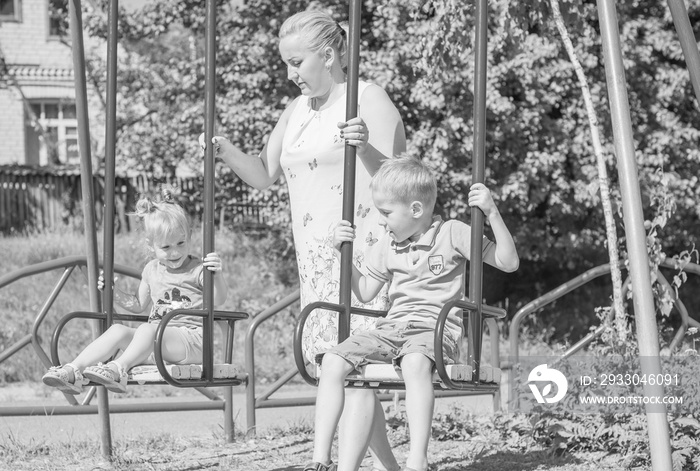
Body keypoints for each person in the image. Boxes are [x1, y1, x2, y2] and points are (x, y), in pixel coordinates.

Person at [202, 9, 405, 471]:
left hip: (362, 258)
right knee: (345, 371)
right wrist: (224, 149)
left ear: (329, 54)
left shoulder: (367, 97)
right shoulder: (296, 110)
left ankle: (339, 465)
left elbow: (404, 182)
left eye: (297, 63)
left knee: (355, 371)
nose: (290, 74)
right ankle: (392, 469)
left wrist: (366, 146)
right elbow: (264, 174)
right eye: (286, 65)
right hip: (315, 262)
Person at [305, 157, 519, 471]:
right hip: (391, 329)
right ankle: (320, 460)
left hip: (434, 329)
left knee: (415, 362)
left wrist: (492, 212)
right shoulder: (388, 244)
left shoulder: (452, 233)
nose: (381, 222)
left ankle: (417, 458)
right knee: (333, 360)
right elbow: (364, 291)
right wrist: (343, 254)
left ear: (416, 210)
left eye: (386, 213)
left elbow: (508, 261)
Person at [41, 188, 229, 394]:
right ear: (151, 246)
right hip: (157, 340)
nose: (175, 252)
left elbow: (218, 299)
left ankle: (118, 369)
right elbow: (138, 306)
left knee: (148, 330)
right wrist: (113, 292)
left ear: (190, 237)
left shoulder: (198, 269)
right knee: (117, 330)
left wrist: (217, 275)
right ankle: (73, 370)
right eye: (166, 247)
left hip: (192, 341)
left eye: (181, 243)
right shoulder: (151, 270)